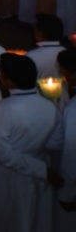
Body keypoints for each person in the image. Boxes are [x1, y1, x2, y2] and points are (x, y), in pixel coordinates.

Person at [0, 53, 57, 232]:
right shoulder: (50, 107)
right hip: (39, 177)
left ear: (9, 81)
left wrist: (41, 169)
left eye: (1, 74)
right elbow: (54, 144)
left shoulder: (1, 109)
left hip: (7, 177)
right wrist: (44, 168)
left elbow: (4, 154)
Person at [48, 48, 76, 227]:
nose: (60, 74)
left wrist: (67, 192)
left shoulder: (73, 109)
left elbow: (71, 151)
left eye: (62, 70)